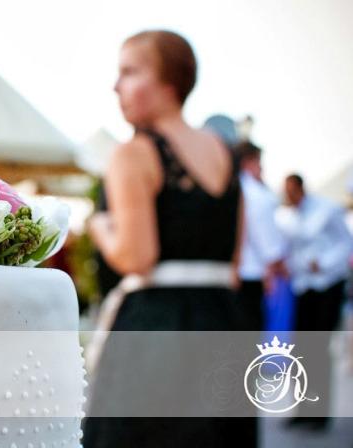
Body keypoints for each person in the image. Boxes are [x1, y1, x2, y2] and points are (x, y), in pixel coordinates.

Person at [83, 30, 256, 447]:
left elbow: (137, 257)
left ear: (168, 83)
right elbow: (234, 263)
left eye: (129, 72)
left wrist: (100, 227)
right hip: (226, 322)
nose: (116, 86)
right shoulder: (224, 153)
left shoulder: (133, 153)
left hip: (156, 330)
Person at [279, 173, 353, 430]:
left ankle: (319, 414)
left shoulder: (327, 209)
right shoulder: (291, 217)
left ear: (300, 188)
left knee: (319, 349)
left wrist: (322, 263)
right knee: (302, 349)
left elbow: (345, 244)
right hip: (304, 287)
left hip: (327, 286)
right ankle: (302, 409)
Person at [235, 141, 285, 330]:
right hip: (252, 273)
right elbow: (265, 239)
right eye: (258, 162)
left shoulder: (230, 188)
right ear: (248, 162)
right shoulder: (254, 193)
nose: (261, 168)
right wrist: (272, 270)